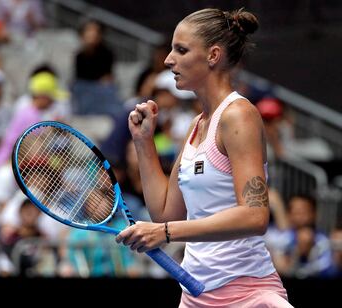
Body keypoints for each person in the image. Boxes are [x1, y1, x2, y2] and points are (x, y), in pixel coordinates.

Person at [115, 8, 293, 307]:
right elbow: (164, 213)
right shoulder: (196, 126)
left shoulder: (239, 115)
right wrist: (144, 143)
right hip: (197, 295)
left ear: (213, 55)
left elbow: (255, 215)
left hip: (246, 293)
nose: (168, 59)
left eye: (181, 50)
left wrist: (166, 233)